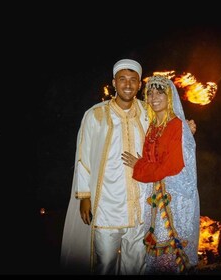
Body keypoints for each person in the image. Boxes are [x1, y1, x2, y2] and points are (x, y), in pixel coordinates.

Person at [60, 59, 196, 275]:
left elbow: (167, 129)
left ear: (139, 85)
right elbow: (83, 157)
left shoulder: (147, 111)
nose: (127, 84)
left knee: (136, 266)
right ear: (114, 82)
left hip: (141, 206)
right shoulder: (95, 114)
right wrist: (84, 196)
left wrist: (185, 130)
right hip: (107, 206)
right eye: (122, 79)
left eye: (133, 80)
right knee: (105, 264)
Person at [122, 75, 200, 275]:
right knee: (156, 254)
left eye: (160, 93)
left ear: (169, 97)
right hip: (155, 198)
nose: (154, 97)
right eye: (150, 93)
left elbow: (172, 166)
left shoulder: (177, 126)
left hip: (175, 201)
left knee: (169, 256)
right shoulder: (153, 127)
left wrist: (139, 166)